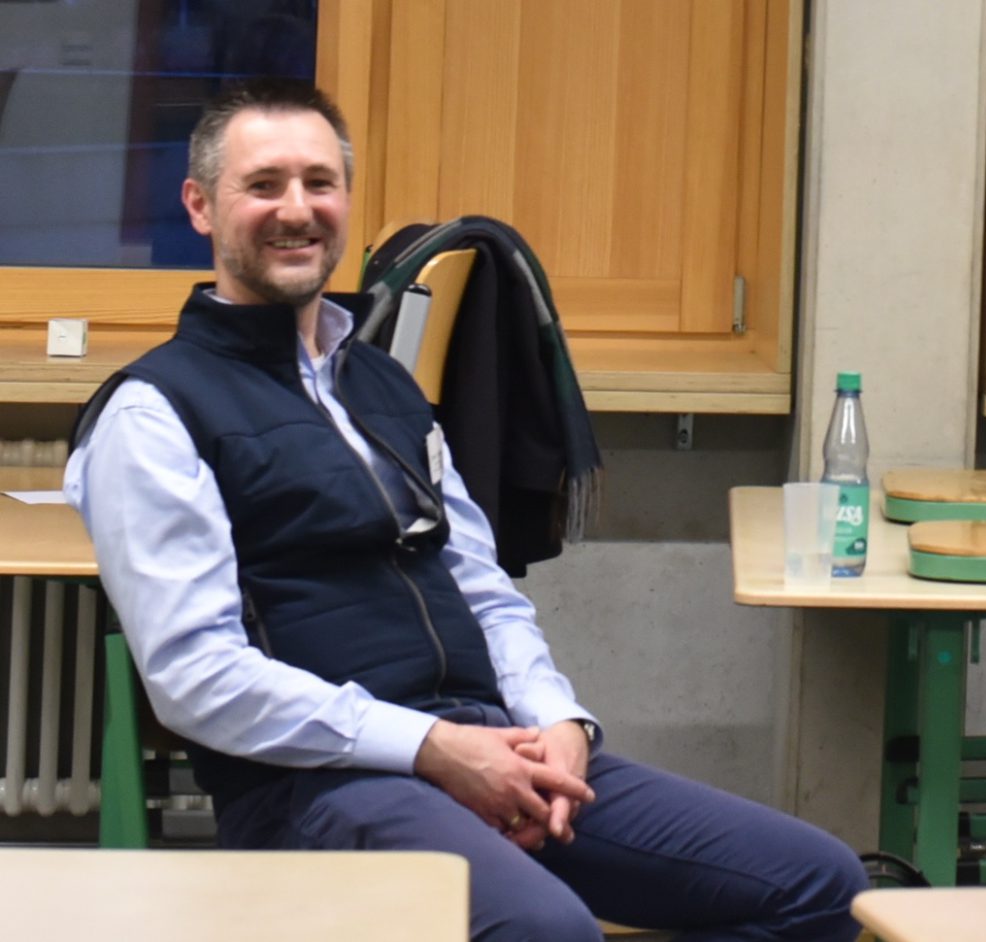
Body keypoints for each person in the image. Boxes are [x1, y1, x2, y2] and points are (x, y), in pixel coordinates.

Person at [65, 80, 867, 941]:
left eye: (319, 182)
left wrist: (557, 719)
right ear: (199, 205)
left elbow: (481, 587)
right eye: (263, 185)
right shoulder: (153, 413)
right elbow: (196, 679)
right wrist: (429, 748)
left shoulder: (385, 385)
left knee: (820, 885)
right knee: (543, 930)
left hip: (489, 740)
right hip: (318, 785)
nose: (296, 209)